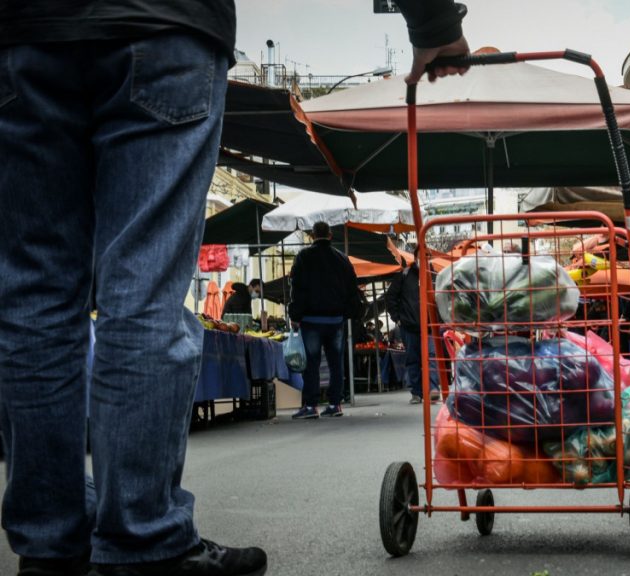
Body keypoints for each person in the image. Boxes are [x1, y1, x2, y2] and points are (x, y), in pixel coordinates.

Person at [0, 1, 469, 573]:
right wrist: (433, 23)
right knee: (142, 294)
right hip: (162, 26)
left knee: (36, 300)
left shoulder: (309, 265)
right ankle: (141, 541)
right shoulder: (341, 264)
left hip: (24, 35)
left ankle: (49, 547)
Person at [288, 222, 360, 419]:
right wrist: (346, 313)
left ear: (312, 235)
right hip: (336, 319)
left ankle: (311, 406)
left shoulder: (304, 257)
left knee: (312, 363)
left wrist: (295, 315)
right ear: (330, 235)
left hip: (311, 319)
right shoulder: (341, 258)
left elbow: (298, 287)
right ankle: (335, 403)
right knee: (336, 362)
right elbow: (352, 288)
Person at [386, 244, 439, 404]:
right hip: (409, 325)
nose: (424, 259)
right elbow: (391, 298)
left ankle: (433, 390)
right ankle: (416, 392)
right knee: (413, 359)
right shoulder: (405, 274)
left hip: (430, 326)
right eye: (421, 255)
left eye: (427, 256)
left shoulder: (435, 275)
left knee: (431, 357)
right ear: (416, 257)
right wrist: (398, 319)